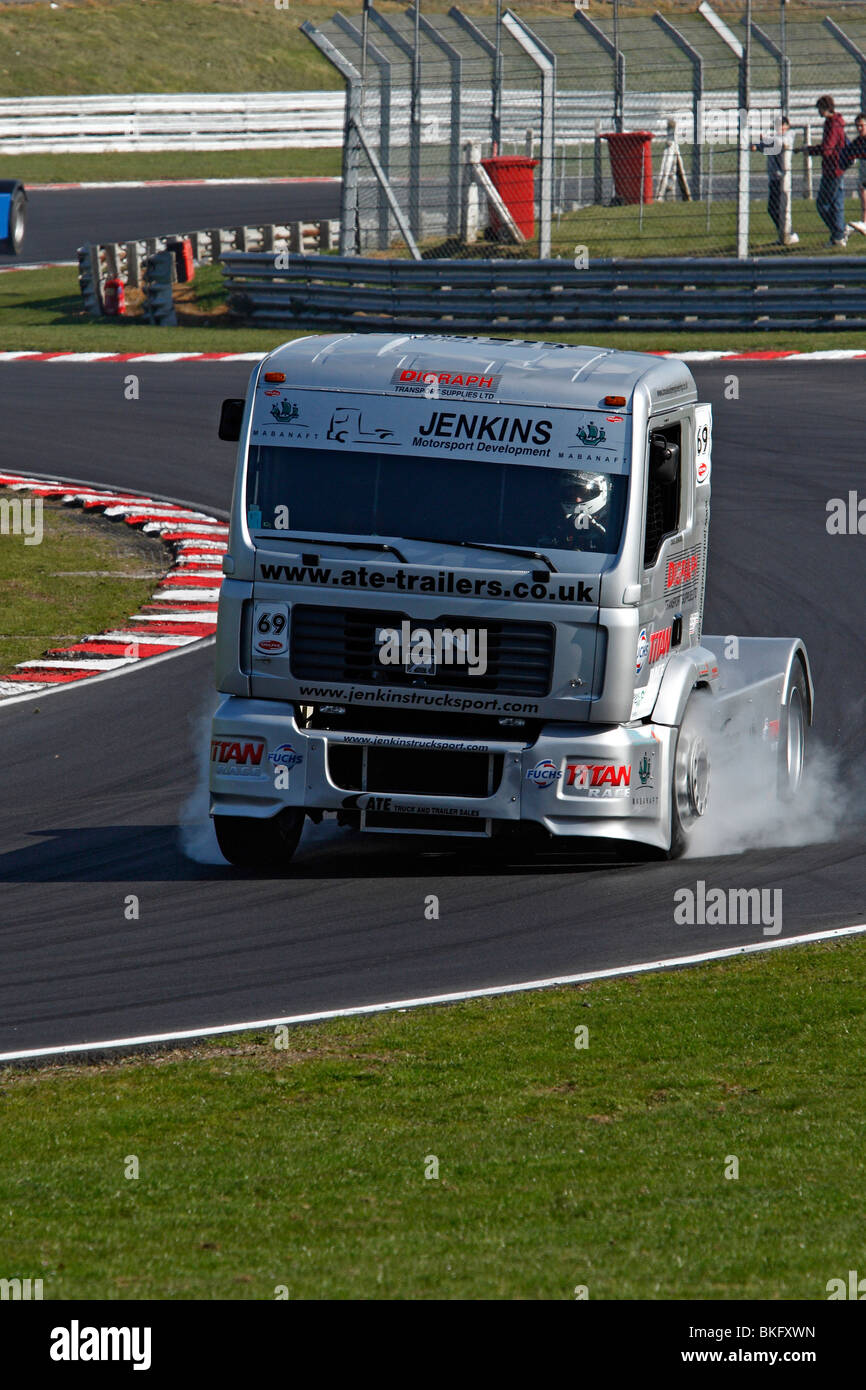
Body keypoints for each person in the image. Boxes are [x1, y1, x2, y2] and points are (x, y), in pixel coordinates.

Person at [806, 95, 848, 246]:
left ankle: (839, 232)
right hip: (839, 167)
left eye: (819, 108)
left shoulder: (832, 124)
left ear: (825, 108)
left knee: (822, 204)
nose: (818, 112)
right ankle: (838, 238)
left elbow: (827, 148)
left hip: (832, 169)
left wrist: (810, 150)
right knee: (836, 205)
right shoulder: (838, 122)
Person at [751, 116, 799, 244]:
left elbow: (781, 143)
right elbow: (766, 146)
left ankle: (790, 234)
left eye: (782, 125)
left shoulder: (789, 135)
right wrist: (756, 145)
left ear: (787, 126)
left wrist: (765, 140)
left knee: (782, 208)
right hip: (773, 178)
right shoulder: (774, 138)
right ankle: (784, 235)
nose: (779, 128)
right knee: (772, 209)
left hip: (783, 179)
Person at [547, 470, 610, 550]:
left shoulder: (616, 524)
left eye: (583, 492)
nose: (577, 499)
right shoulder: (557, 523)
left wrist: (600, 534)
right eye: (570, 494)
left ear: (603, 490)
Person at [842, 112, 866, 237]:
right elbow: (848, 153)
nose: (859, 129)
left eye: (862, 126)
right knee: (863, 190)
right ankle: (864, 222)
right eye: (857, 126)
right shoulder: (859, 141)